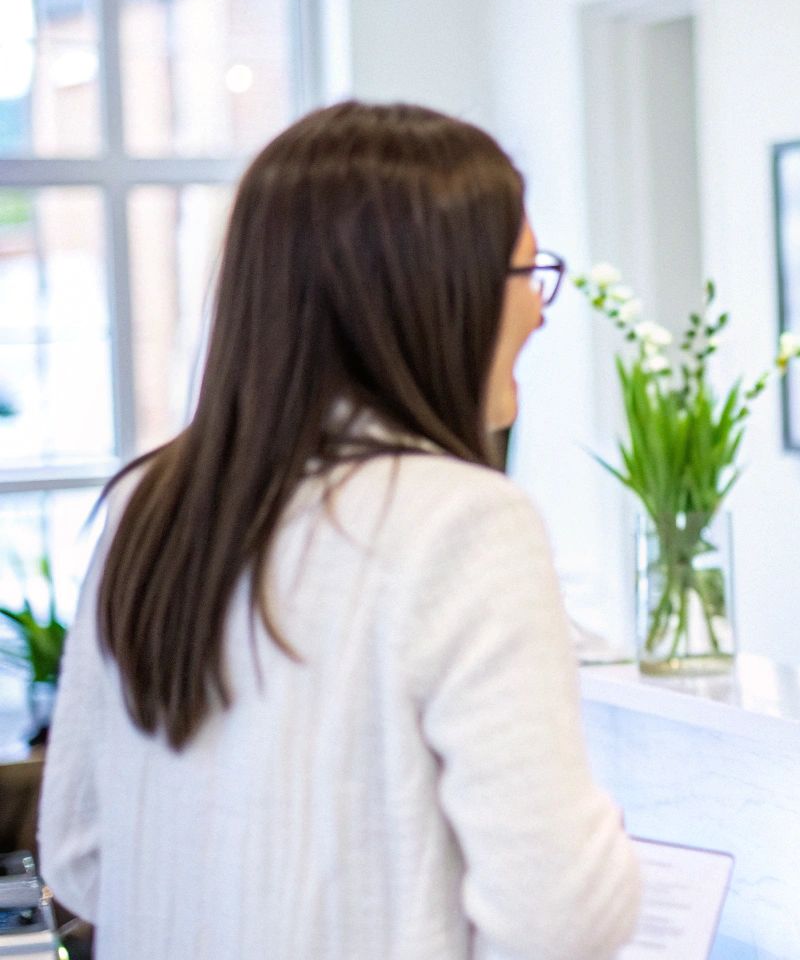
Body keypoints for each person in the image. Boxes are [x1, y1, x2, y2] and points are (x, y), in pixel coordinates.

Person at [39, 102, 641, 958]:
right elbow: (559, 918)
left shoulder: (147, 502)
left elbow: (80, 856)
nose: (541, 313)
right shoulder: (467, 523)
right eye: (525, 275)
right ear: (433, 294)